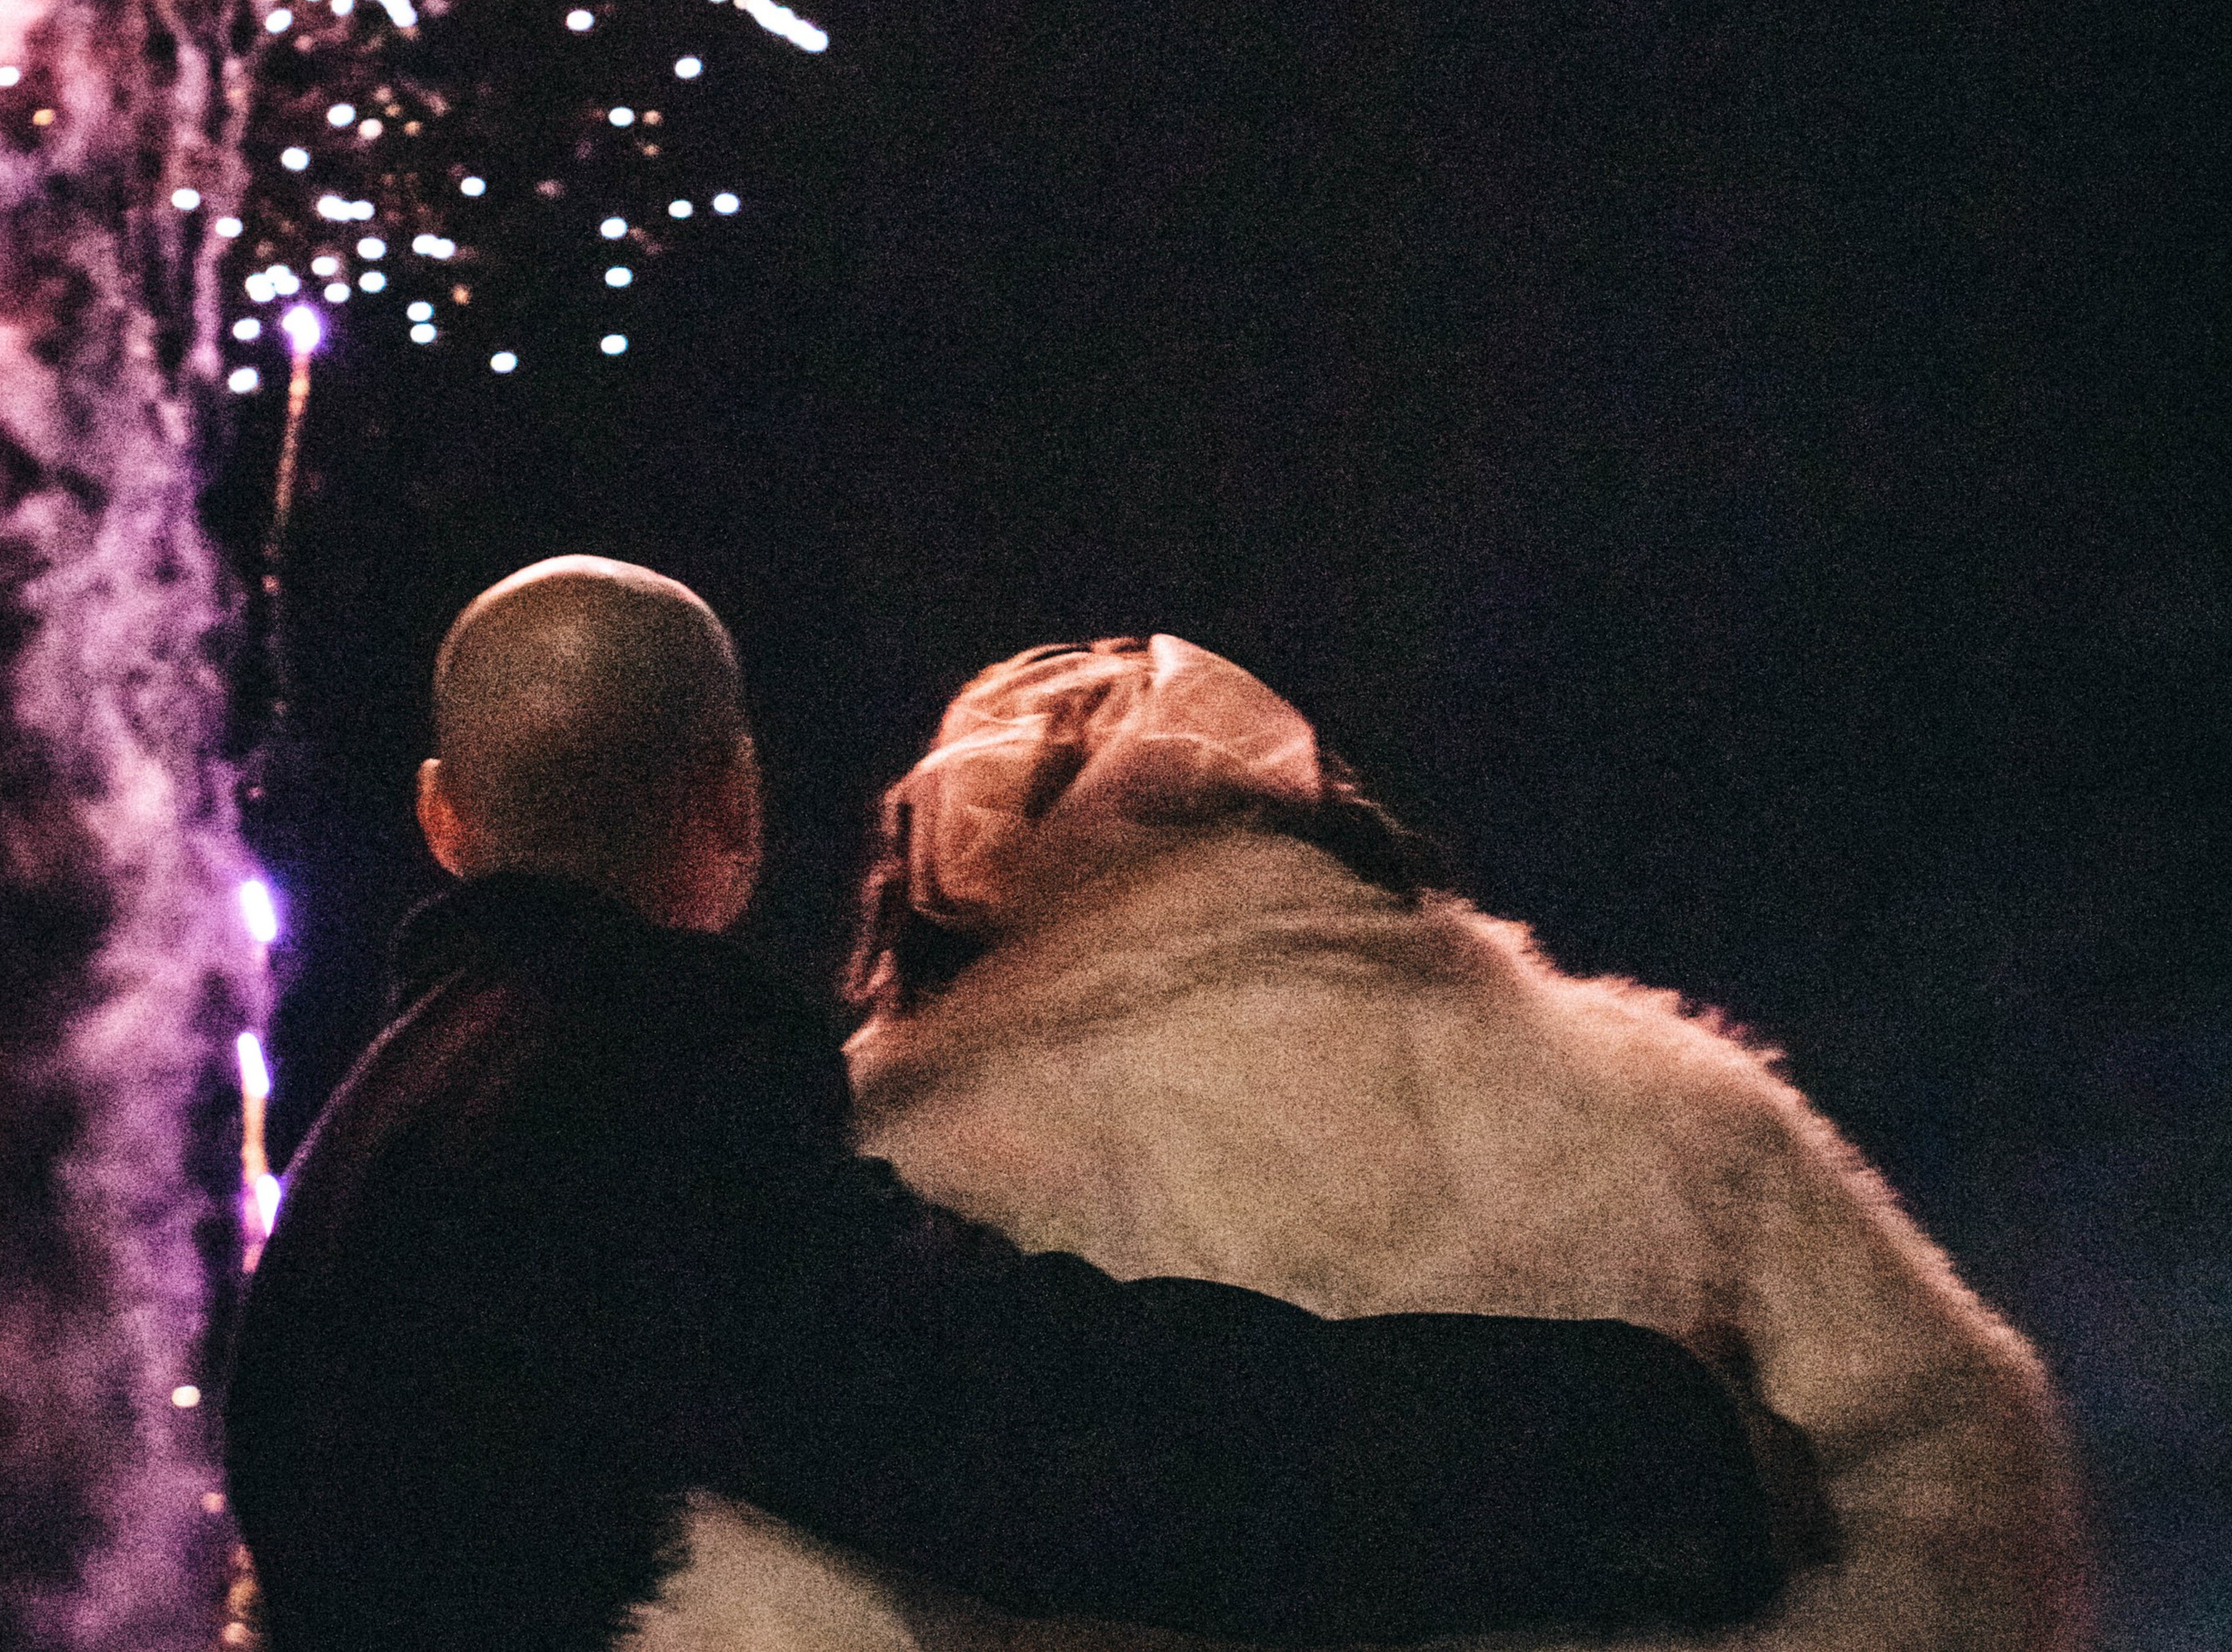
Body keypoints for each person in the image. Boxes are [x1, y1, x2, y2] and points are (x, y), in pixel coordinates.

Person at [225, 564, 1783, 1652]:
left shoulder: (356, 1159)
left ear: (442, 816)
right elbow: (1044, 1425)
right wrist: (1627, 1437)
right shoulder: (646, 1086)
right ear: (739, 803)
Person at [647, 635, 2087, 1652]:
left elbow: (766, 1601)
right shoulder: (1666, 1100)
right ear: (1306, 808)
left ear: (934, 881)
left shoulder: (889, 1182)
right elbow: (1956, 1458)